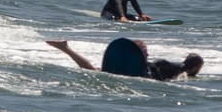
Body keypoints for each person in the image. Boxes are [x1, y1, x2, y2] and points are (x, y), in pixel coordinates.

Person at [45, 39, 203, 81]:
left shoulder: (160, 65)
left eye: (146, 52)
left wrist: (191, 69)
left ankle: (65, 48)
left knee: (94, 72)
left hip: (145, 77)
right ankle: (65, 48)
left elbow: (193, 62)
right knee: (93, 71)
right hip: (133, 76)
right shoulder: (152, 65)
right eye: (144, 52)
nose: (146, 54)